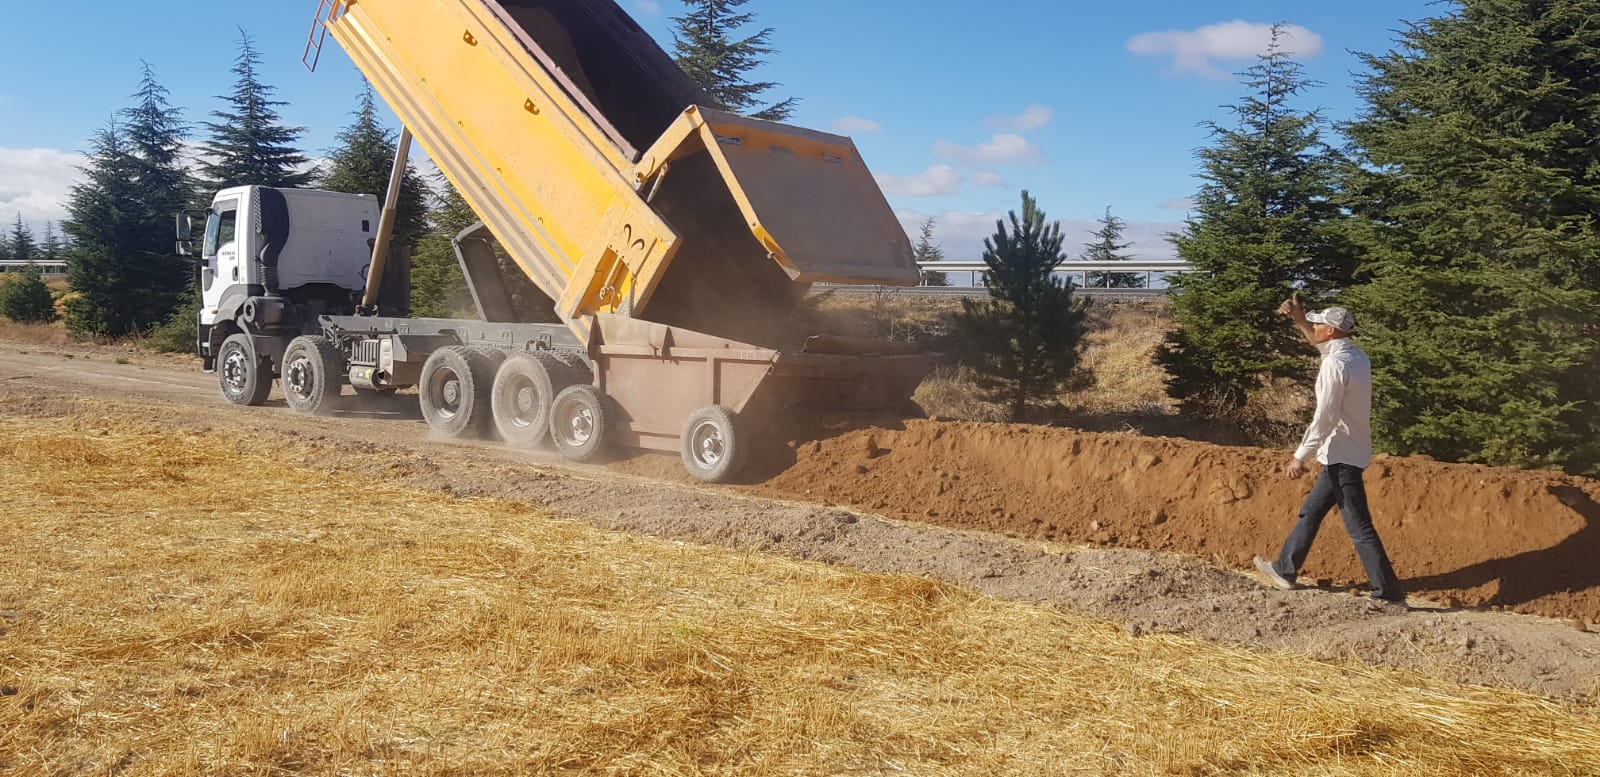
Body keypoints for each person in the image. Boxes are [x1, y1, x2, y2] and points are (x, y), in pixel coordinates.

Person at [1253, 295, 1405, 606]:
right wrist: (1298, 317)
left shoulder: (1334, 365)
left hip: (1341, 456)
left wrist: (1300, 455)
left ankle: (1388, 593)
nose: (1315, 327)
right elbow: (1318, 342)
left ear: (1331, 331)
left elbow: (1325, 417)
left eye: (1320, 324)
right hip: (1349, 451)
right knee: (1311, 511)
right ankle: (1284, 569)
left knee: (1359, 527)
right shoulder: (1357, 357)